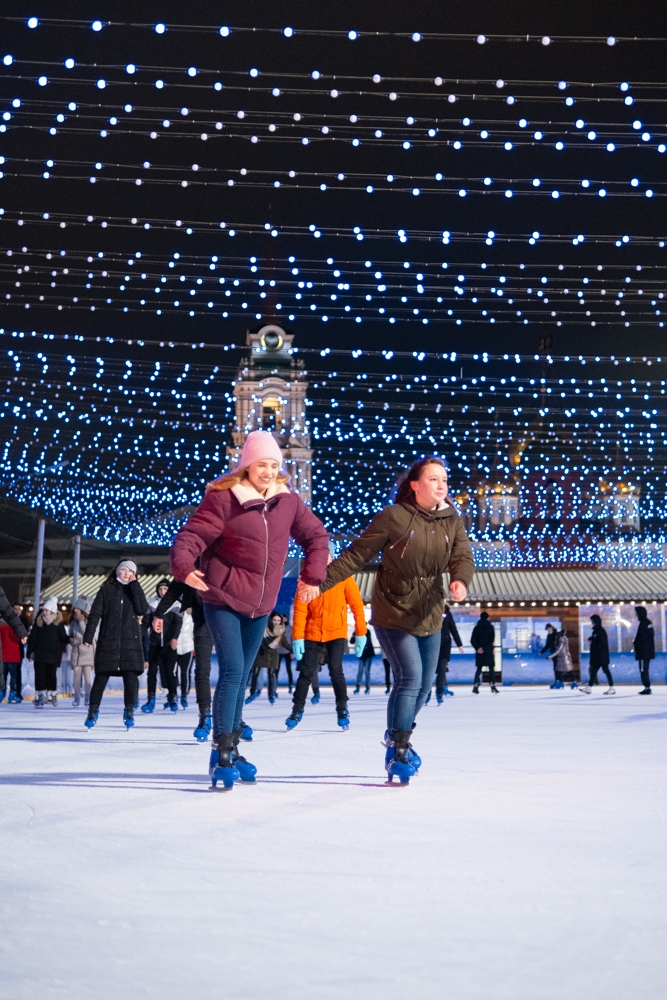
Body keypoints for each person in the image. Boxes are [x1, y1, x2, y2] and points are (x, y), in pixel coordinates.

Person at [170, 430, 329, 790]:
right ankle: (222, 751)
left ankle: (232, 747)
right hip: (222, 597)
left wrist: (313, 574)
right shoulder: (224, 499)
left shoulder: (288, 502)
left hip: (261, 605)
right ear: (247, 466)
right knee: (233, 670)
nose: (269, 471)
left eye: (275, 465)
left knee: (242, 676)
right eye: (262, 464)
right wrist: (184, 565)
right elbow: (191, 536)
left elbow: (317, 537)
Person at [300, 456, 474, 784]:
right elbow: (355, 555)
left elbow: (462, 555)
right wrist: (318, 583)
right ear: (415, 485)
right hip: (393, 609)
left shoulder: (452, 518)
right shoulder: (394, 517)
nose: (442, 486)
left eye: (445, 481)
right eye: (434, 479)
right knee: (410, 678)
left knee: (423, 686)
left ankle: (398, 731)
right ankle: (399, 750)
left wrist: (460, 580)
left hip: (430, 609)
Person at [287, 543, 367, 731]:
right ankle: (296, 710)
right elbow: (300, 611)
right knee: (306, 672)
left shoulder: (343, 577)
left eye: (326, 555)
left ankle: (342, 709)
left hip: (336, 632)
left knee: (336, 671)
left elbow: (357, 605)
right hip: (312, 633)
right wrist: (297, 637)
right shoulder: (306, 580)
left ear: (332, 557)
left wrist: (361, 632)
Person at [82, 560, 149, 729]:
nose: (127, 573)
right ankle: (92, 710)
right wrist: (89, 636)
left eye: (130, 571)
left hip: (130, 641)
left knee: (130, 677)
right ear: (117, 571)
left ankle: (129, 711)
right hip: (108, 640)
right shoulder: (106, 590)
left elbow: (142, 609)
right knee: (101, 677)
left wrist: (135, 586)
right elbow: (95, 614)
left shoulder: (135, 590)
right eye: (124, 570)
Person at [151, 580, 217, 742]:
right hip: (202, 618)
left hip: (227, 616)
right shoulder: (195, 562)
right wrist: (159, 613)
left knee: (232, 669)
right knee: (201, 671)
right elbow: (177, 585)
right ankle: (205, 717)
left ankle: (235, 718)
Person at [141, 579, 182, 713]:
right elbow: (146, 623)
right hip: (155, 643)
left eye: (165, 589)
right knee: (152, 672)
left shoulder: (176, 605)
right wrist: (137, 634)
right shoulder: (153, 605)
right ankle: (150, 699)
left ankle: (172, 698)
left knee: (170, 672)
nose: (162, 592)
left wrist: (175, 638)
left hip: (169, 645)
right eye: (160, 589)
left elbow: (177, 624)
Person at [27, 596, 69, 708]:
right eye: (44, 610)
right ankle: (40, 696)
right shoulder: (39, 622)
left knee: (51, 674)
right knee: (40, 675)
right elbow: (32, 638)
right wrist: (30, 652)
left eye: (46, 610)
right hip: (40, 653)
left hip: (53, 653)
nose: (44, 612)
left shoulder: (58, 624)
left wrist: (70, 640)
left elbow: (63, 638)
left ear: (52, 611)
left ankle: (52, 695)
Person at [251, 611, 292, 704]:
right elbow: (257, 639)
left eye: (278, 620)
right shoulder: (264, 628)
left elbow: (284, 643)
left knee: (271, 675)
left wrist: (293, 650)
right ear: (271, 620)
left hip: (273, 654)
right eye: (274, 620)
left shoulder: (282, 630)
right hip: (261, 653)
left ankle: (271, 694)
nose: (276, 622)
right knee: (256, 673)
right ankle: (252, 692)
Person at [426, 603, 464, 703]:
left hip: (444, 646)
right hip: (432, 645)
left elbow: (453, 629)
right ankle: (426, 693)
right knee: (429, 670)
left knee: (442, 669)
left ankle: (439, 693)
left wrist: (459, 645)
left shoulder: (447, 613)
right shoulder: (429, 611)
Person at [0, 588, 28, 703]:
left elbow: (9, 613)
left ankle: (11, 692)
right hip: (9, 655)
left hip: (13, 656)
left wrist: (21, 632)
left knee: (13, 676)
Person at [68, 597, 95, 706]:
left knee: (87, 674)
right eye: (75, 608)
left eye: (78, 609)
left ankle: (88, 696)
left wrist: (81, 622)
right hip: (76, 650)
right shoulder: (73, 622)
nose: (76, 610)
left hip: (86, 649)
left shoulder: (87, 621)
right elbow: (70, 634)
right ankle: (77, 697)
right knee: (76, 675)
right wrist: (70, 640)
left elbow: (88, 633)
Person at [579, 614, 615, 695]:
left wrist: (593, 643)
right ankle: (589, 687)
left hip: (601, 656)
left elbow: (601, 643)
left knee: (605, 670)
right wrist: (592, 640)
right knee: (593, 671)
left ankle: (612, 687)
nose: (591, 623)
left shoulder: (600, 631)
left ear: (595, 622)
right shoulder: (596, 631)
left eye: (592, 621)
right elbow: (597, 641)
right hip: (597, 656)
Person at [470, 612, 498, 694]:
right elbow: (491, 639)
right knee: (491, 668)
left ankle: (476, 686)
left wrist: (478, 648)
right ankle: (492, 685)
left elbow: (472, 640)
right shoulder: (490, 627)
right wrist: (485, 648)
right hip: (488, 651)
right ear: (487, 618)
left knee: (479, 669)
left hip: (479, 652)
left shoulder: (477, 628)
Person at [175, 606, 194, 708]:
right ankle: (173, 694)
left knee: (185, 672)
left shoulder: (191, 616)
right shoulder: (174, 614)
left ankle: (184, 695)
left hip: (188, 648)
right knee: (173, 672)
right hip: (175, 647)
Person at [633, 605, 655, 695]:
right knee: (644, 669)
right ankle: (647, 686)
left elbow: (642, 637)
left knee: (643, 669)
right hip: (647, 651)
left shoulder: (643, 624)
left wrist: (636, 643)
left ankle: (647, 687)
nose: (636, 615)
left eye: (637, 613)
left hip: (643, 652)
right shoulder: (647, 623)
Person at [541, 623, 560, 688]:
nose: (548, 630)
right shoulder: (549, 636)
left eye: (549, 629)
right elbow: (548, 645)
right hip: (553, 653)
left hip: (558, 653)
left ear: (552, 628)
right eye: (547, 629)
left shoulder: (556, 634)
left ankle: (560, 681)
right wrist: (542, 651)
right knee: (555, 667)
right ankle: (557, 681)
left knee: (558, 667)